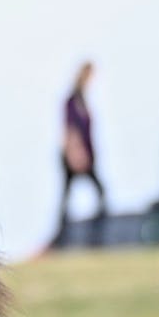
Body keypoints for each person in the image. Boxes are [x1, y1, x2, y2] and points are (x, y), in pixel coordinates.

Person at [59, 61, 106, 227]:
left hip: (85, 154)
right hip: (75, 155)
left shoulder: (83, 100)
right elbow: (70, 130)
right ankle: (62, 234)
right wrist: (76, 155)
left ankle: (98, 230)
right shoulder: (72, 101)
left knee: (98, 192)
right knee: (67, 197)